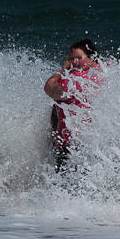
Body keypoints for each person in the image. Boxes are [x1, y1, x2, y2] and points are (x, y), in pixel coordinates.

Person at [44, 38, 103, 172]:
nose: (74, 62)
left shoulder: (73, 79)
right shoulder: (104, 75)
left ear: (92, 57)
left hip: (72, 145)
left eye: (78, 58)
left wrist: (63, 69)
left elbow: (49, 88)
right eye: (72, 58)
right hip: (94, 142)